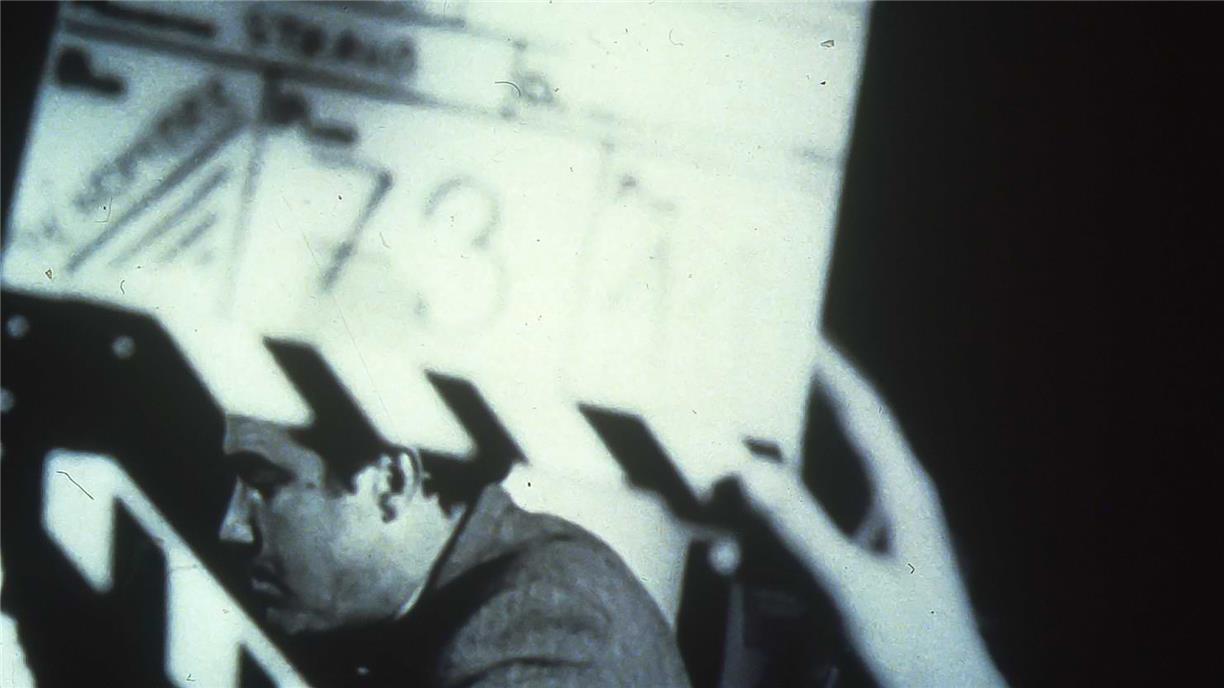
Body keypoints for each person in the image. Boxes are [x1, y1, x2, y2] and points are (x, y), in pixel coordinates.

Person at [218, 415, 691, 687]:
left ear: (392, 483)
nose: (232, 527)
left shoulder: (547, 624)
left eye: (266, 485)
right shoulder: (462, 605)